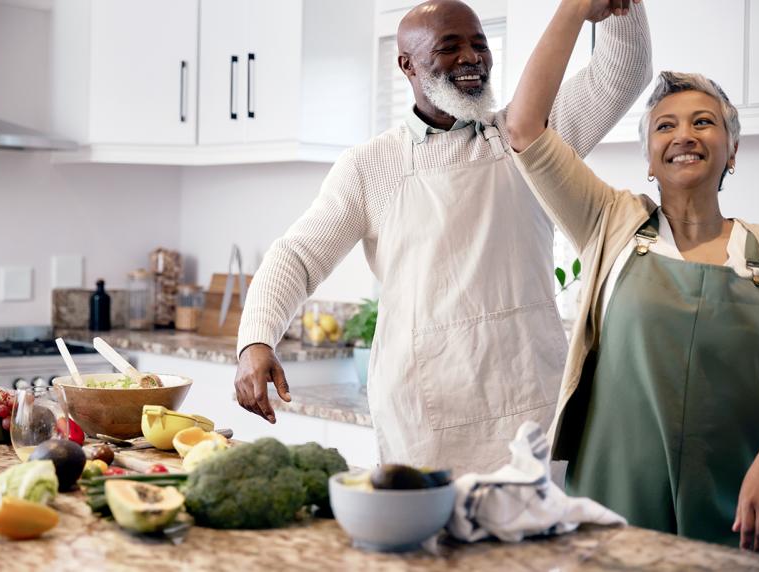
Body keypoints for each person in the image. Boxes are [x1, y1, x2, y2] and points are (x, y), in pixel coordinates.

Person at [234, 0, 652, 476]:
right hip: (424, 420)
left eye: (479, 44)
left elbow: (622, 73)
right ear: (406, 65)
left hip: (532, 407)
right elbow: (297, 257)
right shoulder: (369, 166)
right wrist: (256, 342)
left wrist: (621, 5)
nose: (471, 57)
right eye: (449, 47)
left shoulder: (529, 132)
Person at [505, 0, 759, 556]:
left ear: (732, 150)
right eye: (665, 126)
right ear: (648, 157)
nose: (684, 135)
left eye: (704, 122)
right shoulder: (610, 222)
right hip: (613, 509)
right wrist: (575, 9)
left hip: (739, 512)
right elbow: (524, 126)